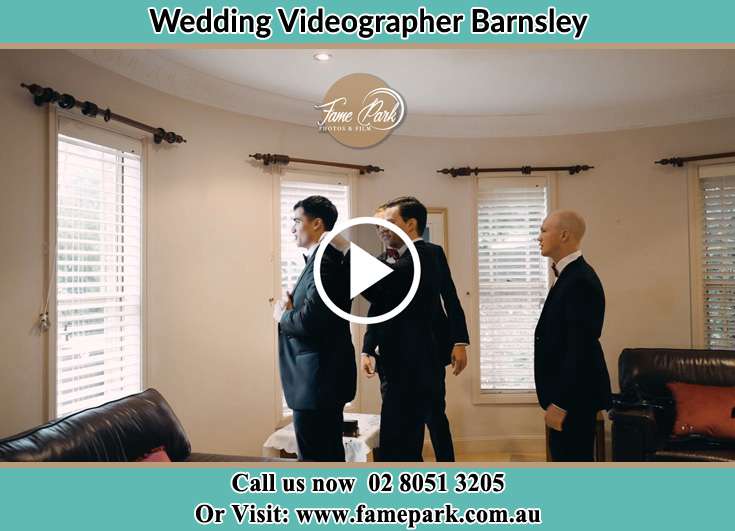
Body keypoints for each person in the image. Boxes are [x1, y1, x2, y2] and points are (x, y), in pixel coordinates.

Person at [361, 200, 469, 461]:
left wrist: (459, 341)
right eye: (378, 226)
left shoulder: (430, 254)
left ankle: (447, 467)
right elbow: (377, 310)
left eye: (388, 223)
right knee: (399, 423)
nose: (381, 229)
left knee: (434, 416)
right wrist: (367, 349)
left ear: (410, 224)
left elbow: (450, 298)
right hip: (390, 356)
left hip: (427, 352)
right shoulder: (381, 262)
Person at [272, 195, 356, 461]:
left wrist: (282, 316)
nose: (292, 229)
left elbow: (312, 321)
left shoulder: (325, 262)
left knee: (314, 461)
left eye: (297, 221)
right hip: (319, 380)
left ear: (317, 223)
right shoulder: (323, 260)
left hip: (317, 382)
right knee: (327, 457)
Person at [535, 210, 612, 461]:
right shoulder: (569, 275)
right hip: (568, 396)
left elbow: (580, 348)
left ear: (564, 235)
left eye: (544, 230)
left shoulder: (580, 280)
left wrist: (561, 403)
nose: (539, 237)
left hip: (575, 399)